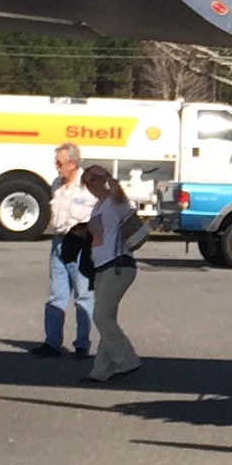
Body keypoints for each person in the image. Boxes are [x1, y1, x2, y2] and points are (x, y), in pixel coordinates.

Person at [81, 161, 146, 383]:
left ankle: (127, 360)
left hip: (119, 265)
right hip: (102, 267)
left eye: (93, 179)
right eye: (87, 181)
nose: (90, 184)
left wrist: (108, 176)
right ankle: (101, 371)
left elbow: (119, 194)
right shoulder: (97, 206)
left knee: (100, 315)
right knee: (106, 318)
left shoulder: (115, 201)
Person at [37, 144, 95, 358]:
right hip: (59, 243)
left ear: (73, 163)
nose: (57, 168)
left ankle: (82, 344)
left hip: (81, 245)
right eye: (56, 163)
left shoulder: (90, 185)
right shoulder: (56, 184)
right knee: (56, 295)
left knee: (83, 296)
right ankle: (52, 343)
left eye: (60, 164)